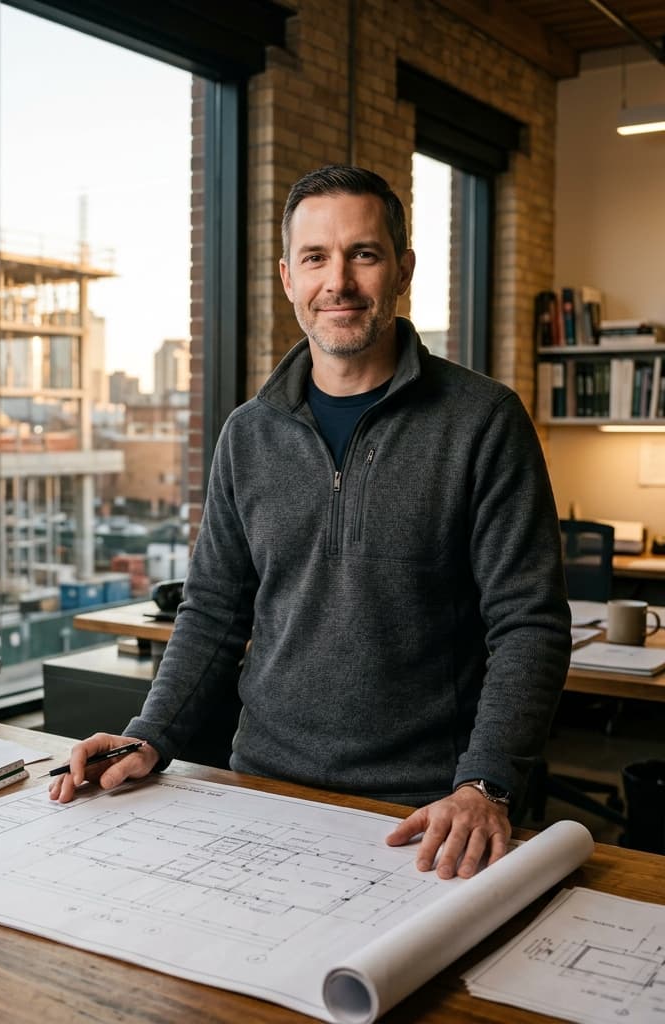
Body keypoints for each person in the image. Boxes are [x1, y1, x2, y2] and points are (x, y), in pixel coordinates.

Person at [49, 164, 571, 880]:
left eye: (364, 254)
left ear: (401, 270)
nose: (340, 283)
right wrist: (150, 735)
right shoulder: (248, 434)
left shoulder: (482, 422)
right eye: (317, 258)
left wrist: (485, 783)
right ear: (288, 277)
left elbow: (529, 624)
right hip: (261, 786)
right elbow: (211, 612)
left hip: (427, 812)